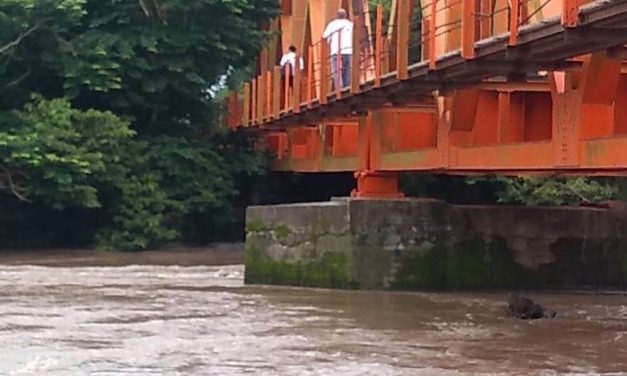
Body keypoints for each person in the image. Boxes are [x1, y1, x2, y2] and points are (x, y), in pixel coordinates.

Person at [323, 9, 353, 90]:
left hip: (336, 51)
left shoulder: (332, 25)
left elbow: (325, 37)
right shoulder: (350, 25)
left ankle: (339, 88)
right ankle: (347, 87)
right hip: (348, 50)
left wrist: (329, 42)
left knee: (336, 70)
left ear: (337, 15)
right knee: (346, 69)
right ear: (345, 15)